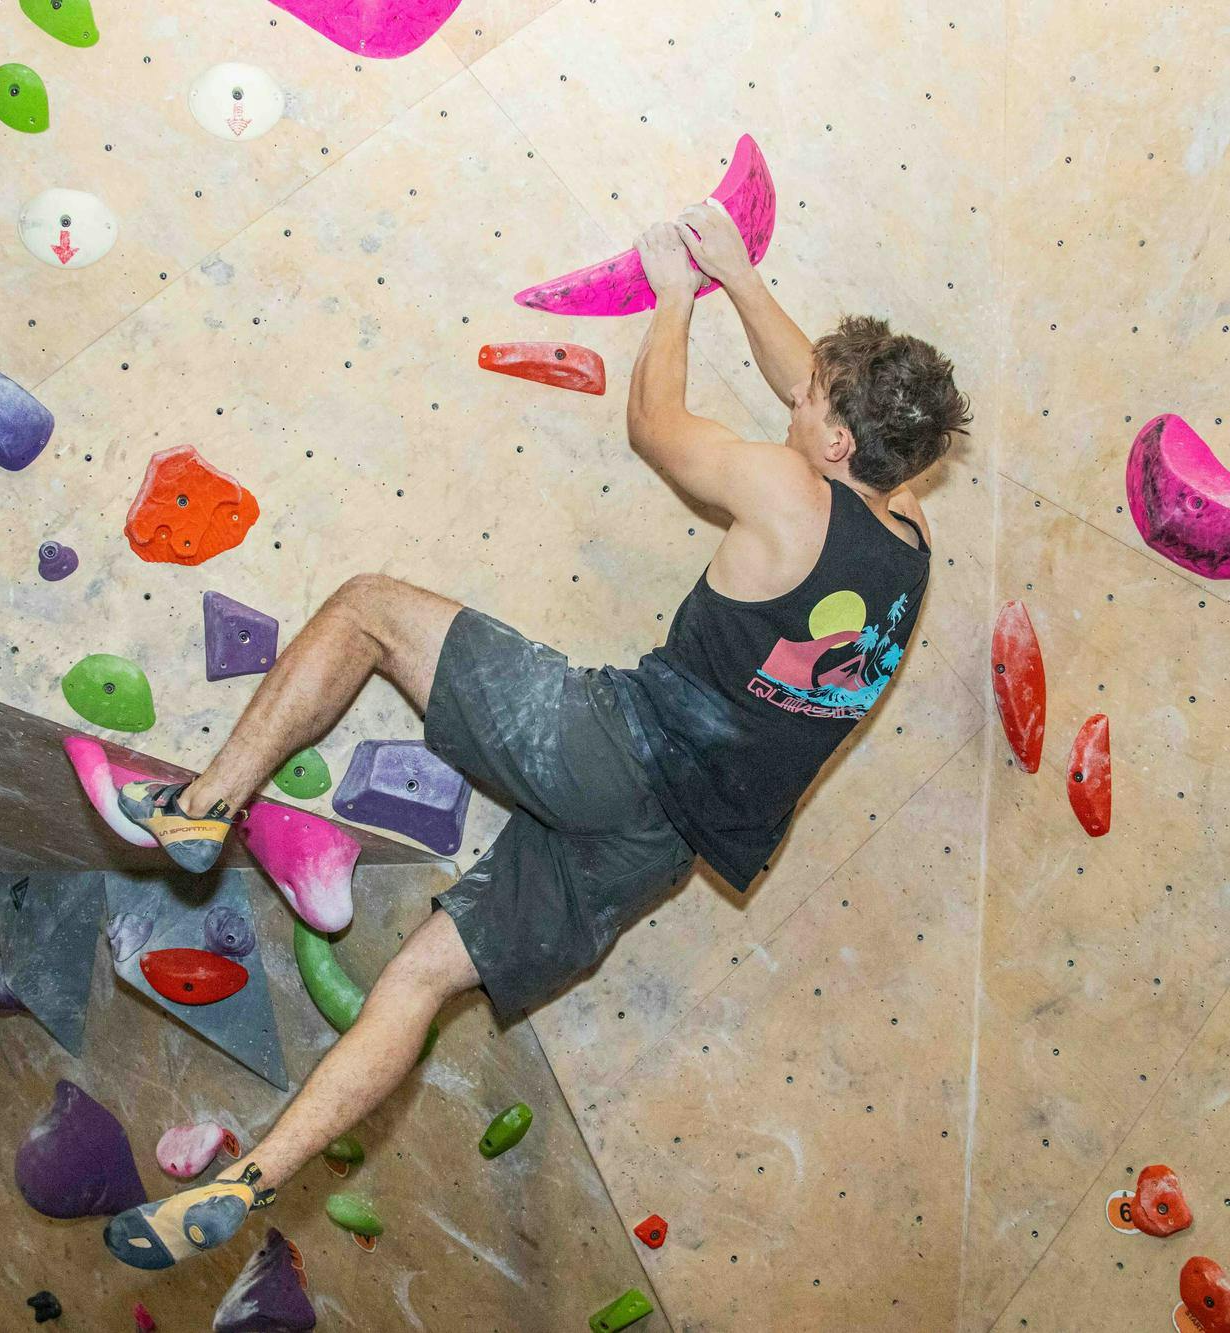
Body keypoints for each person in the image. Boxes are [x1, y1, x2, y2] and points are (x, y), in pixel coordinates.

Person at [101, 200, 970, 1269]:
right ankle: (249, 1179)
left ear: (830, 440)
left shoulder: (787, 489)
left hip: (608, 744)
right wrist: (742, 278)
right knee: (420, 982)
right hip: (656, 851)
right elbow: (817, 388)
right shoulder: (908, 542)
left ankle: (202, 806)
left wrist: (673, 301)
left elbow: (656, 429)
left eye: (812, 402)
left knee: (367, 605)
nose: (795, 396)